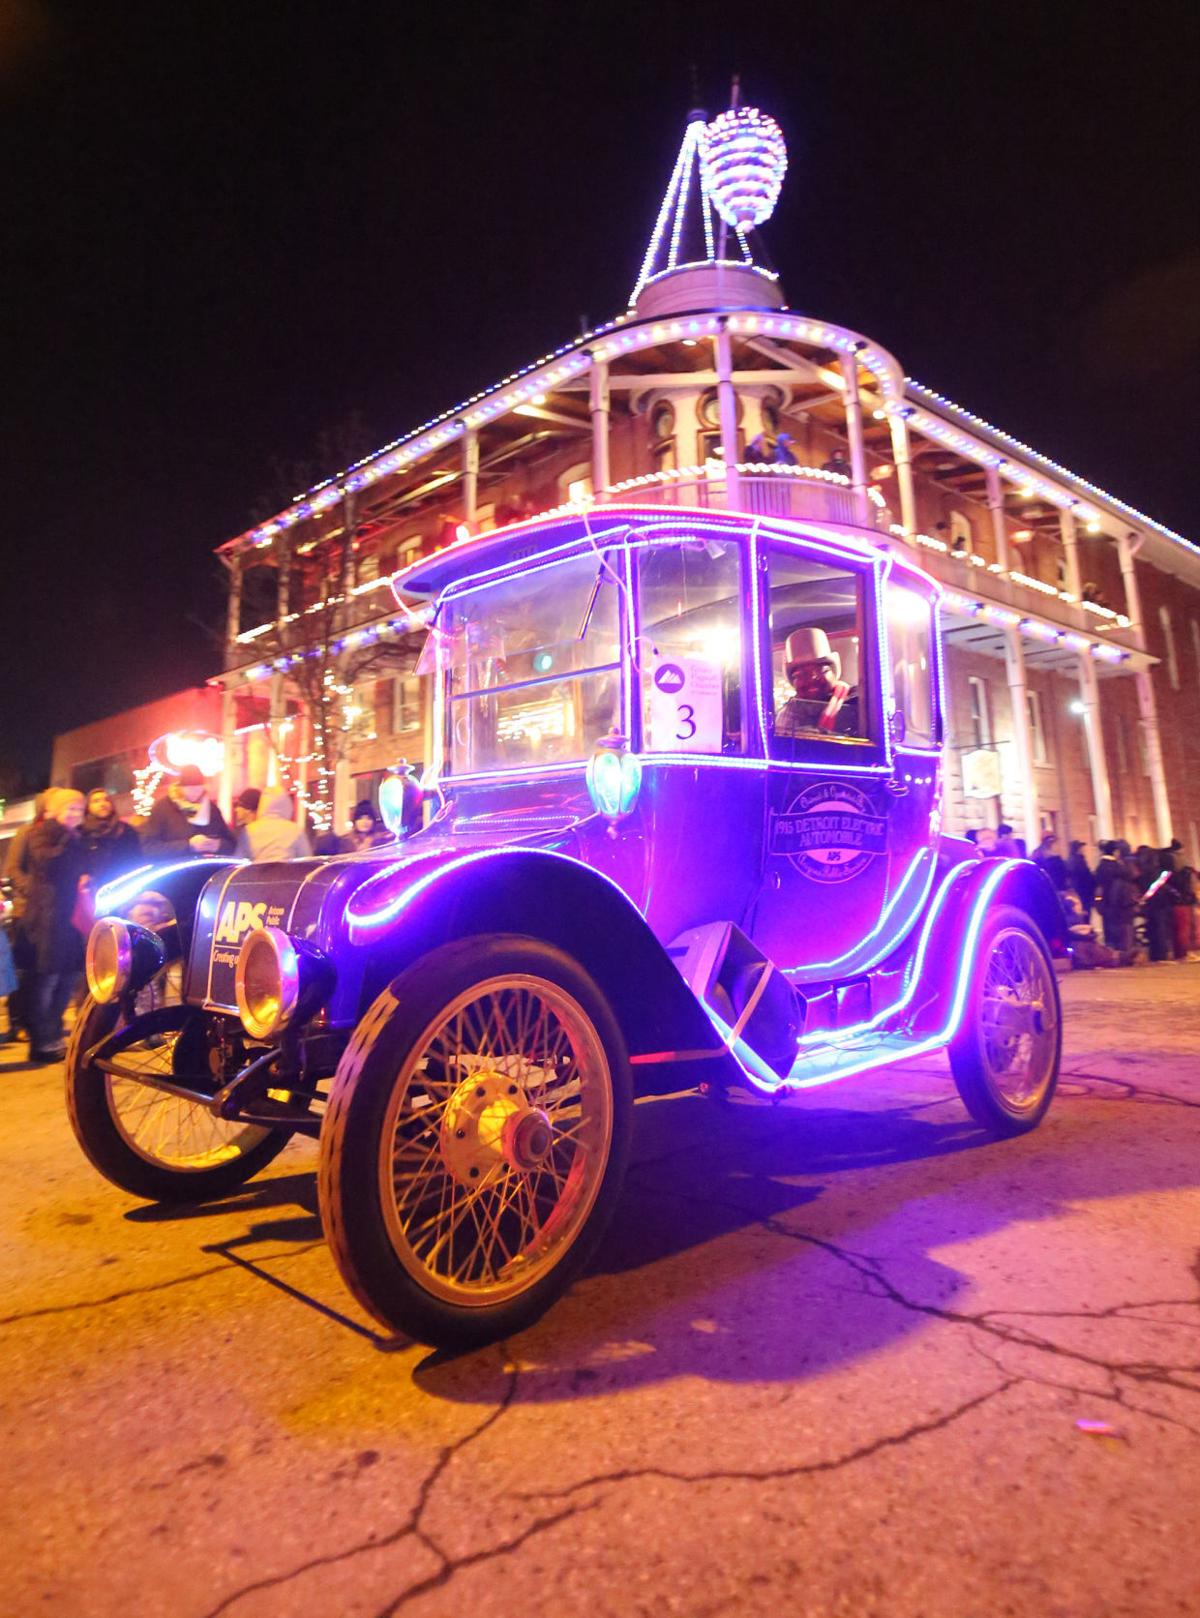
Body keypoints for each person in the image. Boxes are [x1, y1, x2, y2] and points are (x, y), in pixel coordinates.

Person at [24, 788, 89, 1062]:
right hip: (49, 919)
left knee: (68, 977)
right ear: (56, 810)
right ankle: (41, 1040)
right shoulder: (42, 833)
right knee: (47, 979)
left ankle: (53, 1035)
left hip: (71, 918)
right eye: (70, 809)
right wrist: (65, 835)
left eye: (78, 809)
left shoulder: (77, 838)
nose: (75, 814)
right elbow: (45, 861)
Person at [775, 628, 859, 739]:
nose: (812, 679)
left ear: (833, 673)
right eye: (801, 675)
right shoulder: (787, 715)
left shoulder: (859, 702)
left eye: (821, 670)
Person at [142, 765, 235, 858]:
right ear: (180, 787)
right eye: (190, 788)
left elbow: (231, 844)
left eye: (199, 787)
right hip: (178, 870)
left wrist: (219, 845)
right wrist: (188, 846)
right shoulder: (162, 808)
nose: (196, 792)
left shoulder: (212, 809)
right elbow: (149, 848)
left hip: (209, 868)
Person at [79, 788, 141, 887]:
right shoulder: (81, 832)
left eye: (106, 800)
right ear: (88, 807)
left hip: (122, 885)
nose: (103, 804)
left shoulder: (126, 830)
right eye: (96, 801)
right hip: (91, 888)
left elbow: (136, 860)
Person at [237, 790, 313, 863]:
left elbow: (240, 859)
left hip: (258, 875)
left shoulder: (249, 830)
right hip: (286, 875)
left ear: (262, 805)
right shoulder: (295, 830)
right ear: (287, 806)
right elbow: (306, 861)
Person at [1094, 841, 1138, 962]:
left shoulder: (1101, 866)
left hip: (1106, 902)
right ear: (1115, 851)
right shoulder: (1114, 866)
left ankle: (1113, 955)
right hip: (1117, 902)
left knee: (1110, 930)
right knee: (1120, 930)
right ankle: (1121, 956)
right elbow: (1130, 874)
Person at [1135, 844, 1173, 963]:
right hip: (1159, 903)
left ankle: (1154, 953)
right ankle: (1160, 953)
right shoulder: (1156, 872)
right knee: (1160, 928)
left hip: (1148, 903)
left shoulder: (1141, 872)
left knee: (1151, 928)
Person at [1066, 839, 1096, 917]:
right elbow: (1084, 875)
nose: (1083, 850)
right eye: (1081, 847)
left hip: (1080, 889)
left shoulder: (1071, 860)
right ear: (1077, 849)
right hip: (1083, 890)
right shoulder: (1078, 861)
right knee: (1086, 911)